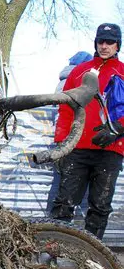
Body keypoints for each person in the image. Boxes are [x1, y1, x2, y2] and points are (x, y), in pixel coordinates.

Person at [50, 23, 124, 240]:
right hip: (78, 148)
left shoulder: (123, 72)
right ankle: (51, 252)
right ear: (96, 42)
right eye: (101, 41)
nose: (104, 46)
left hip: (111, 150)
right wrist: (62, 144)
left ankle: (91, 259)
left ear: (117, 44)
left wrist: (117, 129)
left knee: (100, 207)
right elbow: (65, 108)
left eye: (109, 42)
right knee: (64, 202)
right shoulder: (79, 71)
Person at [45, 50, 92, 212]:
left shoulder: (62, 82)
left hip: (64, 136)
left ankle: (53, 213)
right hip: (72, 138)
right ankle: (64, 216)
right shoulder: (77, 82)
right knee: (68, 178)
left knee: (62, 178)